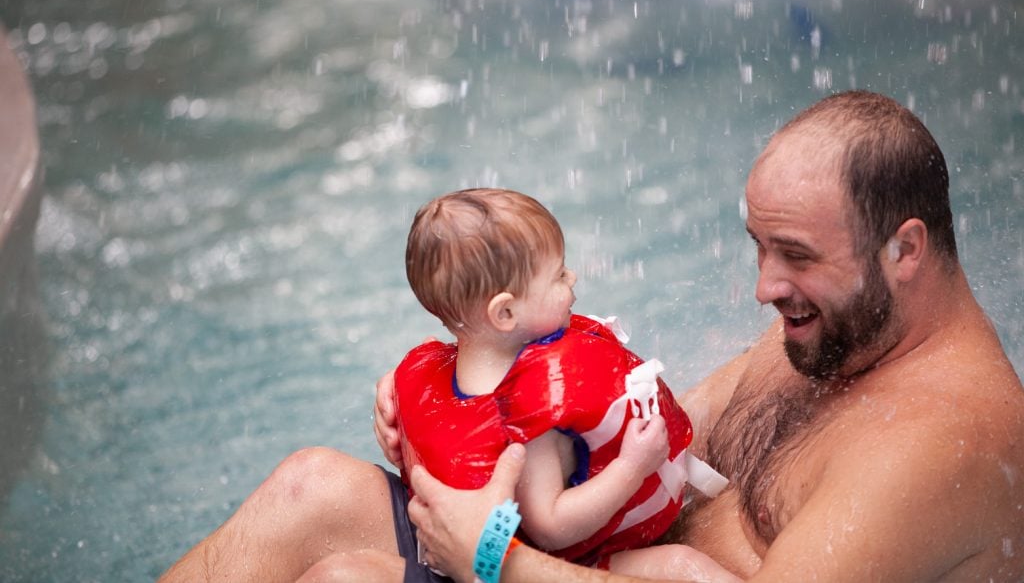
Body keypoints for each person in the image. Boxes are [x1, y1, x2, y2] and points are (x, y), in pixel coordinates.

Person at [158, 90, 1024, 582]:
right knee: (310, 487)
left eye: (793, 256)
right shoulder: (835, 335)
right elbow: (633, 442)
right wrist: (460, 416)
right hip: (594, 562)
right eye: (759, 249)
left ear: (904, 248)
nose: (764, 288)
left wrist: (493, 557)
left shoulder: (944, 443)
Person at [393, 188, 711, 576]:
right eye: (559, 275)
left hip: (466, 554)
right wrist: (632, 467)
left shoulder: (449, 375)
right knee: (684, 566)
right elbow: (550, 526)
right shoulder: (530, 413)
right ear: (505, 312)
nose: (572, 277)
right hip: (556, 565)